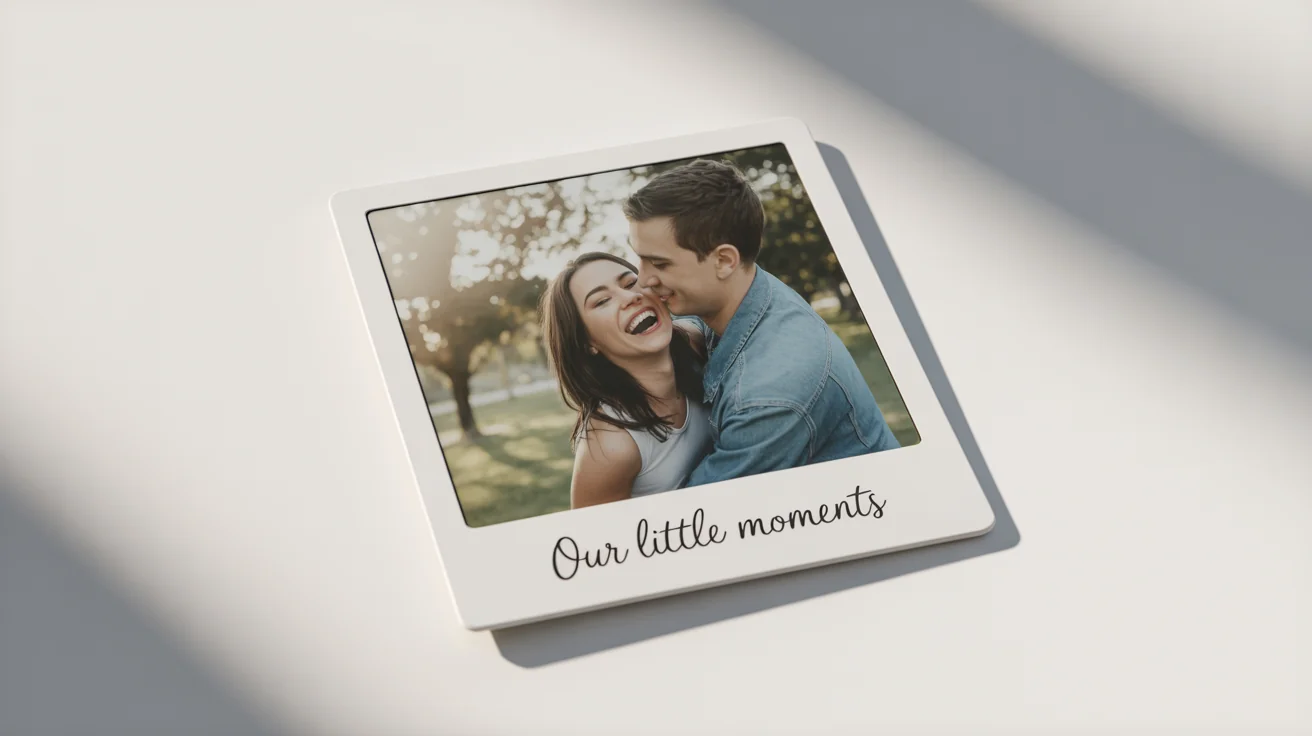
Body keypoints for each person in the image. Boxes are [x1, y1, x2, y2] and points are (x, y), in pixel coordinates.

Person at [623, 158, 899, 487]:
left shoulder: (768, 393)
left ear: (724, 260)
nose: (643, 279)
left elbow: (702, 519)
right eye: (639, 257)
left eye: (659, 263)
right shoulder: (743, 291)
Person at [540, 251, 714, 508]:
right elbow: (596, 542)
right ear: (587, 342)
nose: (632, 297)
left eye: (631, 283)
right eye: (601, 301)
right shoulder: (611, 443)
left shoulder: (698, 342)